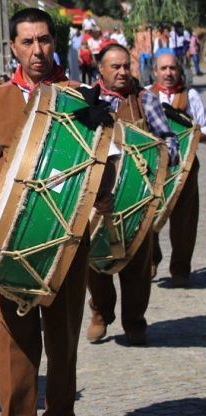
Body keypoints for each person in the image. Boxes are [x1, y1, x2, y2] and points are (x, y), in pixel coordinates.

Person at [0, 9, 107, 415]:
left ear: (54, 42)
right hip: (10, 239)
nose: (37, 50)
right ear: (13, 48)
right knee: (14, 338)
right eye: (27, 42)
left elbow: (108, 160)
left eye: (43, 40)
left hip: (67, 237)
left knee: (63, 337)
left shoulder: (83, 97)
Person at [86, 43, 179, 346]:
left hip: (138, 200)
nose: (123, 72)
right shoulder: (86, 100)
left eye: (127, 66)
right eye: (115, 66)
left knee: (138, 266)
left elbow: (169, 140)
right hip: (98, 202)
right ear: (100, 69)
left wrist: (162, 156)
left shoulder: (144, 100)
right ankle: (101, 312)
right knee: (94, 263)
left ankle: (134, 321)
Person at [147, 51, 205, 288]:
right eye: (163, 69)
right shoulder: (146, 95)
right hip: (153, 168)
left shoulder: (189, 95)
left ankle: (180, 270)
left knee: (184, 221)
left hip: (185, 168)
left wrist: (192, 133)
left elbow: (203, 125)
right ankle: (150, 260)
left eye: (172, 68)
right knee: (148, 217)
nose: (168, 73)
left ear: (179, 71)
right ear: (155, 72)